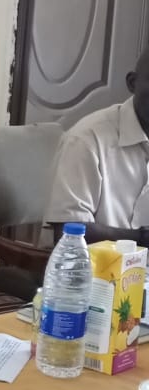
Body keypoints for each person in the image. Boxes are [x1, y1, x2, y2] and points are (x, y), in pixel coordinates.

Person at [46, 47, 149, 247]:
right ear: (132, 83)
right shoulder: (86, 140)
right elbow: (69, 233)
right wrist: (141, 239)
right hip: (89, 264)